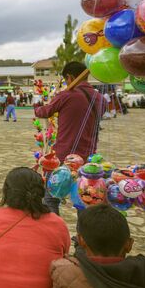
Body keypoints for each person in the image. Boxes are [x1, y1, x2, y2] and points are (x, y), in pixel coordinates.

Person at [34, 61, 102, 214]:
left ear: (69, 77)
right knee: (85, 199)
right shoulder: (100, 98)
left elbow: (44, 112)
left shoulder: (67, 95)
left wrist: (37, 107)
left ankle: (53, 233)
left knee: (51, 197)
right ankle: (83, 235)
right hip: (88, 157)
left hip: (64, 156)